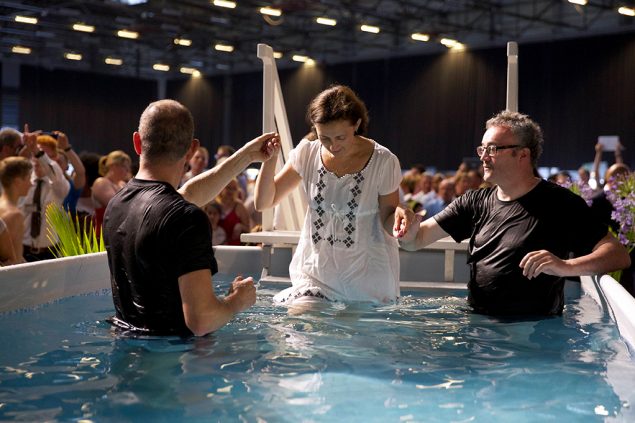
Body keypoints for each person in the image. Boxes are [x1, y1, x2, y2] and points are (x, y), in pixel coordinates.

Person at [395, 110, 631, 316]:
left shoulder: (559, 202)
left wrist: (565, 266)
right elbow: (416, 240)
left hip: (533, 336)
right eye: (482, 149)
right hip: (479, 328)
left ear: (523, 155)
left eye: (493, 149)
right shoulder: (473, 201)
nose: (484, 157)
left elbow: (618, 255)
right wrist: (408, 230)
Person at [103, 99, 279, 336]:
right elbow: (202, 320)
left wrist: (246, 157)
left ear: (137, 142)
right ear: (192, 149)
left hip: (124, 343)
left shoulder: (116, 204)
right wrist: (238, 301)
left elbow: (186, 195)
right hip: (173, 360)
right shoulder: (186, 219)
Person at [254, 85, 402, 304]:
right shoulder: (307, 153)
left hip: (366, 276)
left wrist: (402, 222)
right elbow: (264, 201)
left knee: (354, 337)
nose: (333, 146)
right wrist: (270, 160)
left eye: (340, 137)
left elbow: (388, 220)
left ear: (357, 124)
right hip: (316, 271)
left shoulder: (384, 161)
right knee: (302, 323)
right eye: (325, 138)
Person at [0, 157, 33, 264]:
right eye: (28, 178)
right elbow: (15, 261)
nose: (31, 184)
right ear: (18, 181)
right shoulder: (15, 215)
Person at [92, 150, 131, 236]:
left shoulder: (122, 184)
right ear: (113, 166)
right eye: (124, 166)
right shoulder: (101, 183)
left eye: (128, 167)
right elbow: (116, 206)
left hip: (120, 234)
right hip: (104, 236)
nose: (128, 170)